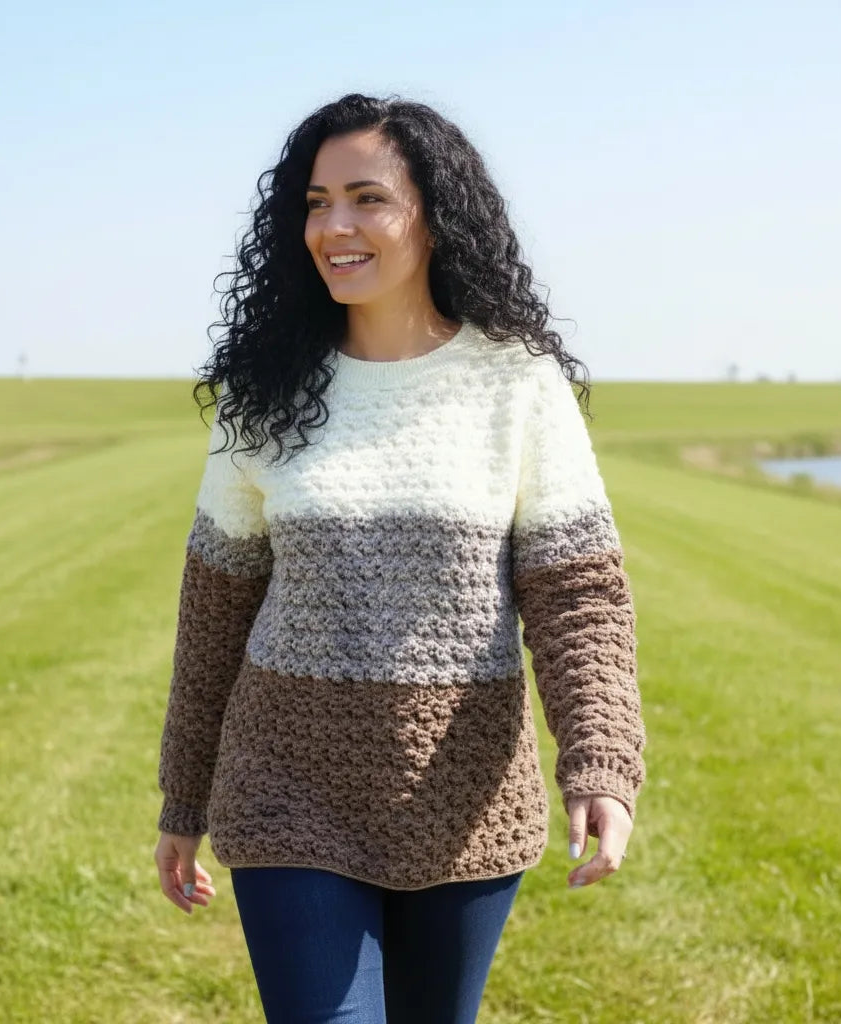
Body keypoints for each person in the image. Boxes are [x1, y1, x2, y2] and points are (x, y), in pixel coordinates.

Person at [153, 92, 646, 1024]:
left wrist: (601, 761)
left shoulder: (518, 384)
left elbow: (577, 595)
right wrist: (185, 796)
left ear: (435, 214)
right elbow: (214, 609)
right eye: (314, 202)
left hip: (462, 795)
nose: (334, 226)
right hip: (284, 786)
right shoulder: (262, 397)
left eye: (366, 198)